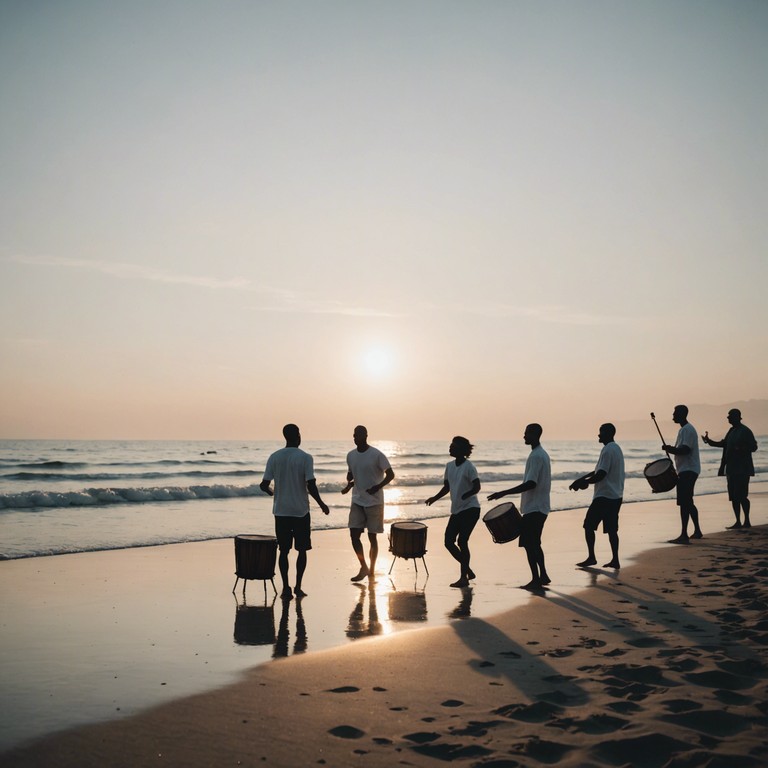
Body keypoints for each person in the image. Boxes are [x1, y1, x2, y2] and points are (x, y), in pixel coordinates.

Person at [260, 424, 329, 600]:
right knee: (302, 550)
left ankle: (285, 588)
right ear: (298, 436)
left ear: (285, 436)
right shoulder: (305, 457)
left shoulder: (274, 457)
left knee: (283, 551)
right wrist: (321, 503)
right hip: (300, 511)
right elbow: (310, 484)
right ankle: (298, 587)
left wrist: (273, 494)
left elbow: (263, 485)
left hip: (281, 511)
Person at [487, 423, 551, 590]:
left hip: (535, 508)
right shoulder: (541, 454)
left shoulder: (536, 456)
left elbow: (531, 483)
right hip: (540, 507)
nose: (524, 436)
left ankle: (536, 579)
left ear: (535, 434)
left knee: (530, 545)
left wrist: (504, 492)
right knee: (535, 543)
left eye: (526, 433)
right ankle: (543, 575)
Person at [425, 436, 481, 588]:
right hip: (456, 510)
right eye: (450, 445)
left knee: (462, 541)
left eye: (453, 446)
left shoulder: (469, 467)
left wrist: (467, 494)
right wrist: (434, 498)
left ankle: (463, 577)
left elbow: (477, 487)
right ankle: (467, 569)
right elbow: (447, 487)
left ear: (461, 450)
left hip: (471, 509)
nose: (450, 448)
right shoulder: (449, 466)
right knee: (448, 541)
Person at [342, 425, 395, 582]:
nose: (355, 437)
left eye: (358, 435)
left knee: (372, 538)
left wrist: (377, 487)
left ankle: (371, 570)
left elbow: (391, 474)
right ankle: (363, 566)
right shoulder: (350, 455)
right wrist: (349, 482)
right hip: (357, 499)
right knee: (354, 535)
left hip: (374, 501)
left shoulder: (377, 455)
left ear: (365, 435)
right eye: (354, 435)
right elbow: (351, 474)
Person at [569, 423, 624, 569]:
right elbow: (597, 471)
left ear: (608, 433)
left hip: (604, 496)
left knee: (588, 526)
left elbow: (601, 474)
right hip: (616, 495)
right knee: (612, 530)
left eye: (601, 432)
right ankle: (615, 559)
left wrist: (585, 483)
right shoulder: (616, 449)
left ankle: (592, 557)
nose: (599, 435)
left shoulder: (607, 450)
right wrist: (582, 479)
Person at [702, 408, 758, 529]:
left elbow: (754, 447)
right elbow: (724, 444)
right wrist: (709, 441)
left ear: (737, 417)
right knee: (733, 497)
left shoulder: (745, 431)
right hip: (731, 469)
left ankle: (747, 521)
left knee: (742, 496)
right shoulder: (731, 430)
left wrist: (741, 448)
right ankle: (738, 521)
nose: (728, 418)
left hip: (742, 469)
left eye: (730, 416)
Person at [662, 404, 702, 543]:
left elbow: (685, 450)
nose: (673, 415)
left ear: (682, 414)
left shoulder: (687, 430)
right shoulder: (683, 430)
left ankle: (684, 535)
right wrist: (671, 449)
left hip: (689, 470)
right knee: (688, 502)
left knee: (685, 502)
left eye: (675, 413)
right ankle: (697, 531)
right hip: (686, 470)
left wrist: (670, 449)